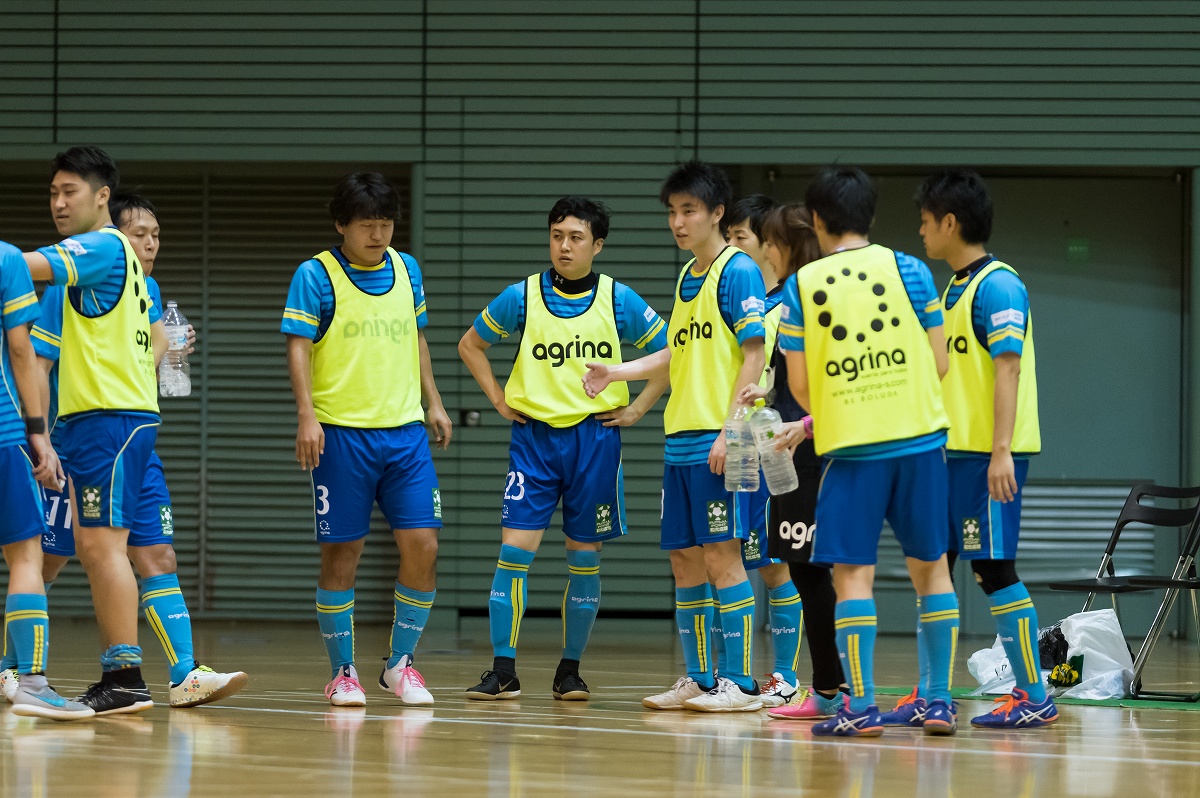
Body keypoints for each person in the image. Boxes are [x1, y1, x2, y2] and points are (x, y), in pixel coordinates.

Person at [11, 190, 248, 709]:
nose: (150, 243)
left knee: (156, 552)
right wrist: (40, 437)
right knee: (48, 559)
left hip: (134, 437)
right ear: (112, 238)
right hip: (77, 441)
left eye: (157, 235)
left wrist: (171, 346)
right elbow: (40, 363)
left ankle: (183, 673)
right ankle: (17, 666)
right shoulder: (70, 285)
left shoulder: (148, 289)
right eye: (140, 234)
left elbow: (150, 355)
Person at [457, 197, 669, 701]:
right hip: (533, 441)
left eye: (576, 237)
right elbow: (470, 344)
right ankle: (503, 670)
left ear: (598, 245)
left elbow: (671, 353)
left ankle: (569, 670)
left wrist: (638, 409)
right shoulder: (522, 296)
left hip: (594, 441)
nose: (564, 246)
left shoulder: (618, 299)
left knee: (584, 559)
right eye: (557, 236)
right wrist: (498, 398)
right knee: (513, 554)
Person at [776, 166, 960, 737]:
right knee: (933, 571)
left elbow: (799, 386)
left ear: (817, 219)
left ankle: (859, 708)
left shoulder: (802, 285)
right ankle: (939, 701)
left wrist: (844, 405)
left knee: (853, 575)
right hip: (921, 441)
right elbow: (940, 362)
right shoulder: (912, 270)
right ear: (871, 217)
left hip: (853, 449)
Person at [584, 161, 767, 712]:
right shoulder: (689, 276)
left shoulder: (738, 271)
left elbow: (754, 354)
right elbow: (678, 352)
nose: (678, 222)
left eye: (689, 211)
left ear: (717, 213)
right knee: (685, 561)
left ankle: (740, 684)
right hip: (681, 439)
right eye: (672, 212)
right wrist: (618, 372)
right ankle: (700, 678)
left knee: (723, 559)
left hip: (722, 438)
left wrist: (732, 431)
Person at [282, 171, 452, 708]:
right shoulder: (315, 275)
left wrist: (434, 401)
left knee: (424, 545)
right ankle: (342, 672)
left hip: (405, 436)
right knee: (342, 554)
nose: (378, 235)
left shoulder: (407, 269)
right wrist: (307, 416)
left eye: (386, 224)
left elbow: (417, 338)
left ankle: (400, 664)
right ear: (341, 225)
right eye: (366, 225)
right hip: (341, 436)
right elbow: (298, 347)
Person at [914, 170, 1056, 728]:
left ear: (950, 222)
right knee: (935, 569)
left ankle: (1035, 696)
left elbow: (1008, 369)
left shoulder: (999, 286)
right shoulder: (951, 288)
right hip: (951, 457)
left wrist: (1001, 452)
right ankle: (931, 696)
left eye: (926, 221)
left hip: (987, 459)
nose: (921, 231)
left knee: (993, 571)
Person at [22, 146, 160, 715]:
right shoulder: (108, 255)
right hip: (99, 420)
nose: (58, 203)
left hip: (111, 420)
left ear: (103, 196)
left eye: (70, 192)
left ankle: (124, 676)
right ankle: (118, 674)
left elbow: (26, 266)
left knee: (104, 548)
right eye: (53, 193)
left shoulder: (101, 245)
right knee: (94, 546)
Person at [735, 202, 851, 720]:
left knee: (816, 570)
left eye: (770, 241)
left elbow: (838, 381)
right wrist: (768, 393)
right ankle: (829, 686)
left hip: (816, 453)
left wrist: (805, 425)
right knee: (803, 570)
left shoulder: (818, 298)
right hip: (787, 450)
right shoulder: (789, 300)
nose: (764, 250)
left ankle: (834, 689)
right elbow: (795, 376)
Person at [0, 242, 94, 720]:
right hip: (3, 429)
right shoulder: (6, 260)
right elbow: (22, 349)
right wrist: (38, 431)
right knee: (26, 556)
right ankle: (32, 684)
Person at [722, 195, 807, 709]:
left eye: (742, 238)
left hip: (780, 449)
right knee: (744, 558)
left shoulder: (790, 301)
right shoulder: (748, 301)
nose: (733, 247)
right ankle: (736, 673)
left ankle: (787, 676)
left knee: (778, 565)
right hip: (744, 449)